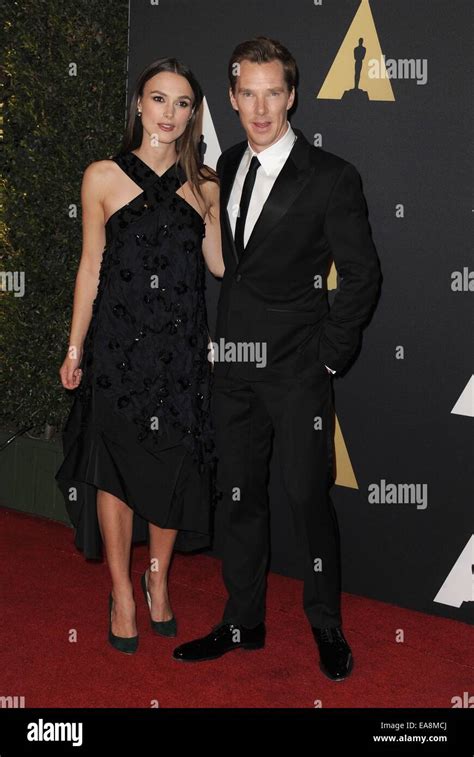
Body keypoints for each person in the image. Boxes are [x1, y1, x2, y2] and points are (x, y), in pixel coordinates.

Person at [173, 37, 381, 680]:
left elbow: (362, 275)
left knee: (306, 499)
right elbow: (229, 269)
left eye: (273, 93)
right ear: (232, 98)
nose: (261, 107)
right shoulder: (227, 163)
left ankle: (325, 624)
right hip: (232, 369)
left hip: (296, 372)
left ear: (291, 96)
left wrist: (326, 360)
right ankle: (244, 619)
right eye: (247, 93)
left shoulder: (332, 176)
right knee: (238, 500)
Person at [55, 58, 224, 654]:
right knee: (117, 473)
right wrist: (75, 346)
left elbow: (222, 266)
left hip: (180, 355)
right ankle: (122, 593)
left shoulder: (206, 182)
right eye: (159, 99)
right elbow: (90, 268)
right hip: (118, 348)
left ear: (194, 113)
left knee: (172, 469)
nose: (170, 114)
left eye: (183, 103)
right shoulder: (102, 176)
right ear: (138, 105)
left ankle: (158, 580)